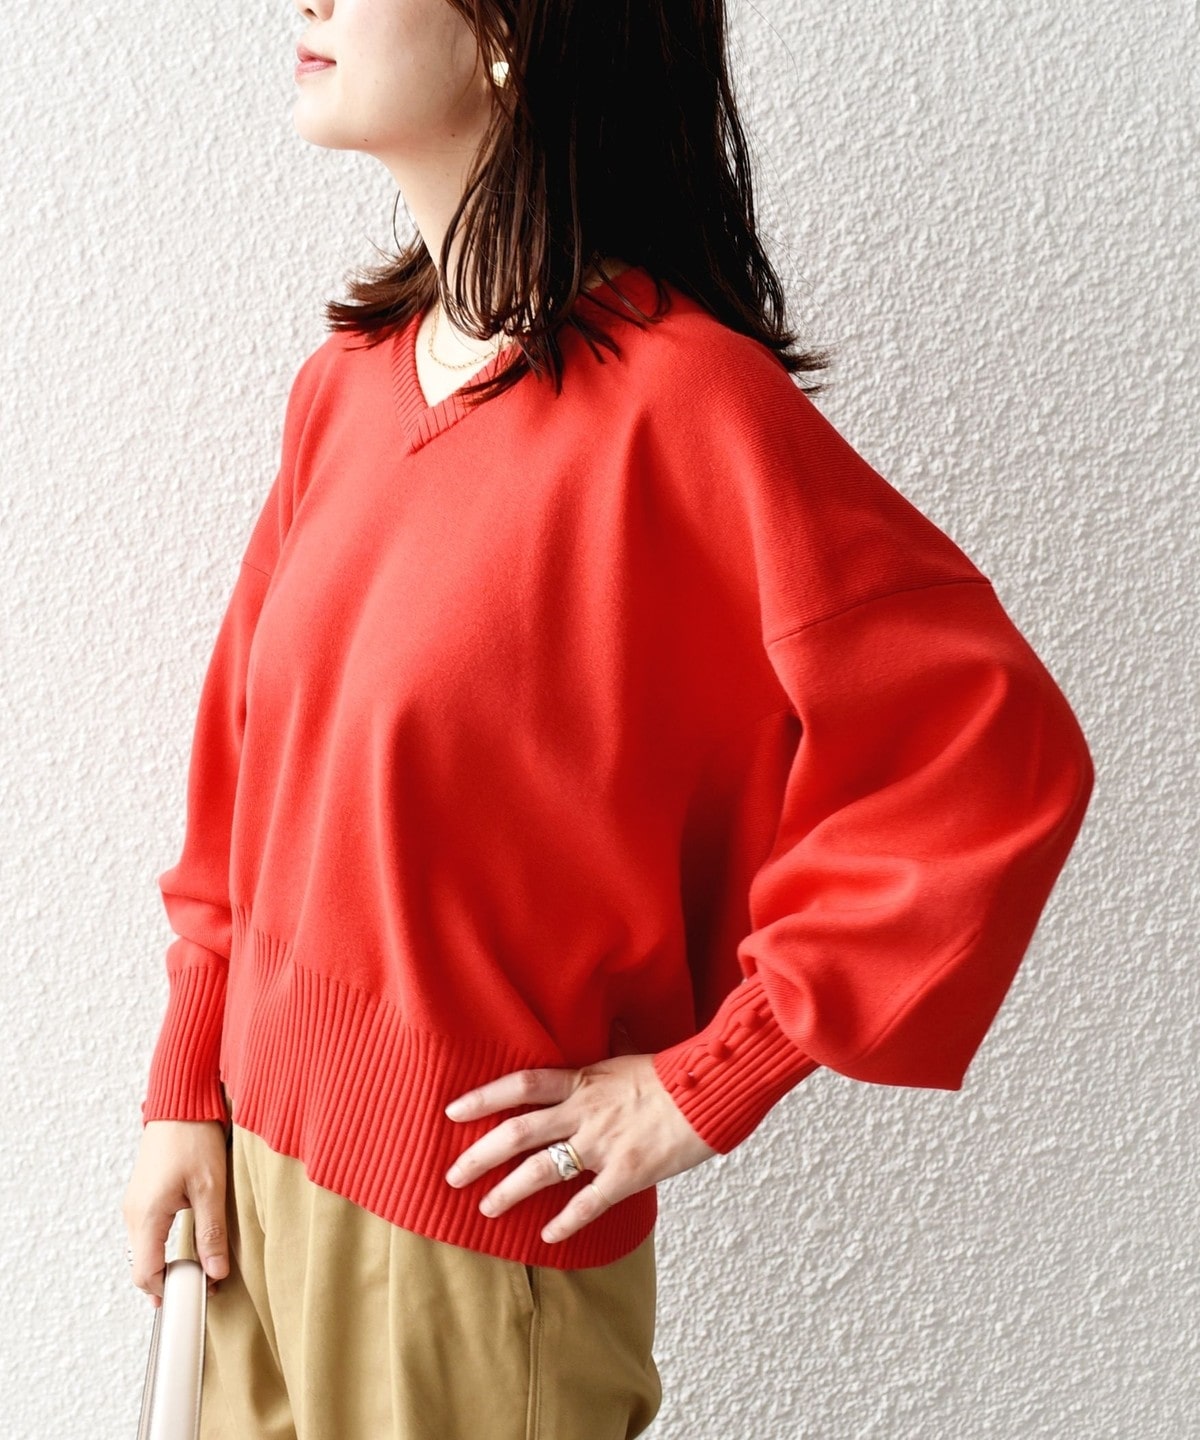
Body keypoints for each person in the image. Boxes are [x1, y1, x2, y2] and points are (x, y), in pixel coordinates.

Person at [121, 1, 1096, 1436]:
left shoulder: (690, 406)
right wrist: (182, 1082)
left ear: (514, 31)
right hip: (250, 1186)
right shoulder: (346, 387)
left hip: (460, 1245)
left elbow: (990, 752)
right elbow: (244, 770)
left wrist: (710, 1082)